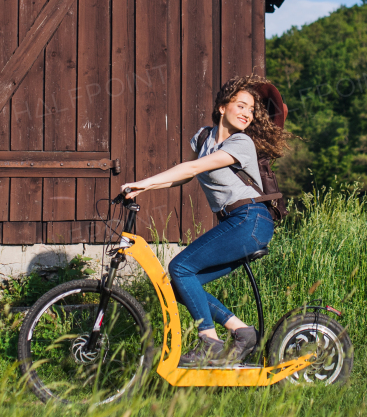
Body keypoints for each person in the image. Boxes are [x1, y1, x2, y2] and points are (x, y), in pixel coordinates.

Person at [120, 75, 288, 366]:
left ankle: (209, 342)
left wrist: (143, 182)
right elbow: (186, 175)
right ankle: (243, 332)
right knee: (181, 283)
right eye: (241, 105)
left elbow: (195, 166)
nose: (247, 113)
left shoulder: (242, 143)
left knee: (179, 267)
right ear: (223, 107)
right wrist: (144, 189)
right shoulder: (203, 139)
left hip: (251, 219)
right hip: (237, 222)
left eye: (251, 110)